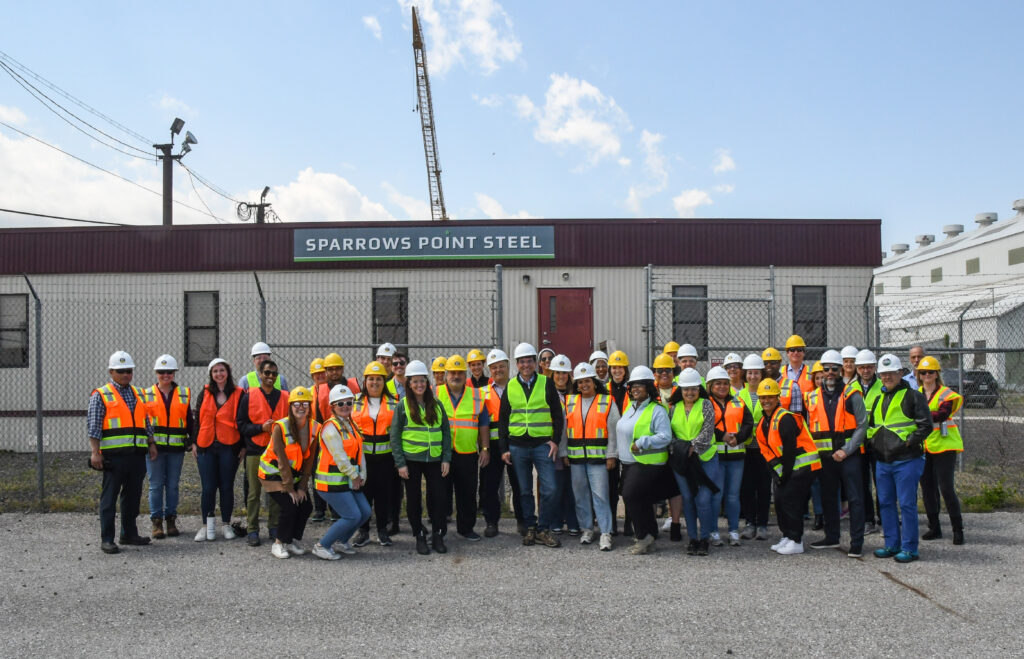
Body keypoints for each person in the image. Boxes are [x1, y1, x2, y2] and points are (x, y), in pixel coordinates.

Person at [88, 351, 157, 554]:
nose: (126, 374)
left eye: (129, 370)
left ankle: (129, 534)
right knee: (109, 498)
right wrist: (95, 452)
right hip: (113, 456)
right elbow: (94, 426)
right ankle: (107, 539)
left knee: (132, 496)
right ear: (111, 372)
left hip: (136, 455)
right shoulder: (101, 395)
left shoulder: (138, 393)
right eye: (121, 371)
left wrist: (151, 443)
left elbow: (146, 422)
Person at [499, 342, 565, 549]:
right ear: (517, 364)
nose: (526, 365)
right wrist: (504, 449)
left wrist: (555, 440)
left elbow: (557, 415)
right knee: (524, 491)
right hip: (517, 446)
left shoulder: (546, 383)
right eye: (522, 362)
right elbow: (503, 419)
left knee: (550, 488)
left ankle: (543, 529)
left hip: (542, 445)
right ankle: (530, 527)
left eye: (529, 361)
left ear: (535, 363)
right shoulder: (510, 386)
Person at [803, 350, 868, 558]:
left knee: (855, 498)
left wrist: (846, 451)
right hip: (825, 458)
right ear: (821, 371)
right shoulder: (811, 397)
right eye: (826, 369)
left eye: (834, 368)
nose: (830, 372)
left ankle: (856, 543)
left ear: (841, 370)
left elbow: (862, 426)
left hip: (849, 456)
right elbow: (808, 428)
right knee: (828, 497)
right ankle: (831, 537)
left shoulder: (852, 394)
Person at [868, 355, 932, 563]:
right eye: (883, 374)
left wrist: (908, 443)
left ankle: (910, 548)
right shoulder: (878, 398)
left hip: (907, 460)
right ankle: (891, 544)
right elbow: (873, 427)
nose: (887, 377)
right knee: (886, 503)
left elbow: (926, 425)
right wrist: (874, 445)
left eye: (891, 373)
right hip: (883, 461)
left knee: (906, 504)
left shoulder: (913, 396)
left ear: (900, 373)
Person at [391, 359, 453, 555]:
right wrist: (400, 463)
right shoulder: (402, 406)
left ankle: (437, 534)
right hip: (411, 461)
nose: (419, 385)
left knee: (439, 498)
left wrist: (446, 458)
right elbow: (395, 436)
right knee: (414, 499)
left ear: (427, 382)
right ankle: (419, 534)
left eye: (422, 381)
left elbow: (446, 432)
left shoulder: (437, 405)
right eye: (415, 381)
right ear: (409, 384)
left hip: (435, 460)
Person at [755, 379, 822, 555]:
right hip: (788, 468)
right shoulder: (765, 421)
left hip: (802, 467)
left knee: (791, 503)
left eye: (770, 397)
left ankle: (796, 540)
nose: (766, 400)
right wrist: (779, 475)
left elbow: (790, 450)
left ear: (778, 397)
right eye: (763, 397)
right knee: (780, 501)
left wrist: (784, 475)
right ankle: (787, 535)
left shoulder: (785, 418)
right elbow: (768, 451)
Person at [562, 362, 620, 551]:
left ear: (594, 382)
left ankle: (605, 532)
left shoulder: (607, 401)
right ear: (576, 385)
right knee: (580, 496)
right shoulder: (569, 402)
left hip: (599, 459)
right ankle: (586, 529)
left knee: (600, 496)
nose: (583, 385)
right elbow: (563, 431)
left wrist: (611, 455)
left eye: (587, 381)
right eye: (580, 382)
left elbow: (614, 431)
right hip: (576, 458)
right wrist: (564, 453)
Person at [618, 365, 674, 555]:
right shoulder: (631, 407)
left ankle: (642, 537)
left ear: (649, 387)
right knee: (641, 499)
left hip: (647, 462)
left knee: (630, 495)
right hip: (630, 462)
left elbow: (665, 436)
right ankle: (651, 535)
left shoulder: (657, 410)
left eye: (640, 385)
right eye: (633, 385)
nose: (635, 389)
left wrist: (643, 442)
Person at [311, 385, 370, 560]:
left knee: (365, 512)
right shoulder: (330, 428)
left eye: (349, 402)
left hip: (349, 480)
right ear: (332, 407)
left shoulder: (351, 424)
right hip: (331, 482)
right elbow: (340, 457)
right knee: (352, 516)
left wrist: (362, 474)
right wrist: (355, 475)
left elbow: (360, 452)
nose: (345, 406)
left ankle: (341, 541)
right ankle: (322, 546)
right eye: (340, 403)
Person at [237, 359, 290, 546]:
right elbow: (241, 425)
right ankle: (252, 529)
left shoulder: (284, 397)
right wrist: (261, 428)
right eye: (267, 373)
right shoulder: (248, 396)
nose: (270, 377)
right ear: (260, 374)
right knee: (254, 492)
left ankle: (274, 527)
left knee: (276, 490)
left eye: (274, 374)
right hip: (255, 450)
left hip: (276, 451)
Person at [258, 386, 316, 559]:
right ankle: (278, 543)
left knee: (306, 506)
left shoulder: (315, 428)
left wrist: (302, 487)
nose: (301, 407)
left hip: (294, 475)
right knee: (290, 506)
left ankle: (290, 540)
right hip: (272, 474)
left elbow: (309, 461)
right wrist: (290, 488)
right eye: (296, 404)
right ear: (290, 406)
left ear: (310, 406)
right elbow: (282, 460)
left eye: (305, 403)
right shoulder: (280, 427)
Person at [436, 354, 489, 542]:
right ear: (446, 374)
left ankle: (466, 528)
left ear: (465, 374)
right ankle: (439, 529)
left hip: (467, 452)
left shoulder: (476, 395)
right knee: (440, 493)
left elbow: (483, 423)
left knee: (467, 493)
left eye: (459, 372)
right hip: (442, 453)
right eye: (452, 372)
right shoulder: (436, 393)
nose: (456, 376)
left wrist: (485, 448)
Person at [143, 354, 193, 540]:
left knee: (172, 486)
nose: (166, 375)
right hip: (154, 449)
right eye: (162, 372)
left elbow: (189, 421)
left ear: (174, 373)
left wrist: (192, 441)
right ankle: (156, 522)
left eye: (169, 372)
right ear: (156, 373)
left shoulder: (183, 394)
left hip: (175, 449)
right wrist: (150, 444)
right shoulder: (146, 394)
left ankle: (170, 519)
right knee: (156, 486)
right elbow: (143, 422)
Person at [193, 358, 243, 542]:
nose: (219, 374)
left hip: (229, 447)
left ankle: (226, 524)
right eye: (215, 371)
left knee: (226, 486)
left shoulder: (238, 393)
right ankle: (206, 526)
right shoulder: (205, 392)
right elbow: (197, 418)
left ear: (227, 372)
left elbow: (243, 420)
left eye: (222, 370)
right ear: (211, 374)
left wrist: (243, 447)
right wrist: (194, 443)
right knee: (208, 487)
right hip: (206, 446)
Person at [350, 361, 400, 547]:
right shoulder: (354, 401)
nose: (375, 383)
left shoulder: (394, 402)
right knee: (363, 495)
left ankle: (382, 531)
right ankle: (363, 531)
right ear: (365, 381)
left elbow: (398, 432)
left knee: (383, 496)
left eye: (379, 379)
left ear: (384, 381)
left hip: (386, 459)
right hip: (362, 459)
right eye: (371, 379)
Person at [670, 368, 719, 555]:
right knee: (688, 499)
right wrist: (681, 449)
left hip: (705, 458)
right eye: (686, 389)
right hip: (683, 462)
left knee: (703, 499)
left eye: (693, 388)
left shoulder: (706, 404)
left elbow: (708, 430)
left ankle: (704, 538)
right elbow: (670, 434)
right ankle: (693, 539)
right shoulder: (674, 408)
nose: (690, 392)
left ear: (699, 389)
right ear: (680, 390)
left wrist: (692, 447)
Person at [917, 356, 965, 545]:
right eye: (923, 372)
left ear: (937, 373)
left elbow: (943, 414)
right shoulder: (915, 394)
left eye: (930, 372)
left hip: (945, 445)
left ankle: (958, 530)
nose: (927, 375)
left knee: (946, 488)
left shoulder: (946, 394)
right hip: (924, 446)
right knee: (927, 488)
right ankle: (934, 527)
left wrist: (921, 415)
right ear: (919, 375)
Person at [479, 348, 525, 537]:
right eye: (494, 367)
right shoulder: (482, 392)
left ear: (508, 366)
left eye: (501, 366)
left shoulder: (518, 388)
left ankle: (522, 521)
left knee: (519, 484)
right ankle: (491, 522)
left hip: (515, 443)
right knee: (489, 486)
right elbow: (481, 422)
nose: (498, 370)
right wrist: (484, 448)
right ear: (489, 370)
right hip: (492, 445)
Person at [707, 366, 753, 547]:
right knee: (716, 496)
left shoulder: (739, 401)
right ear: (710, 386)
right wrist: (723, 436)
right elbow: (704, 424)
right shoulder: (705, 403)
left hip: (736, 457)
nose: (722, 386)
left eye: (725, 383)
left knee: (733, 496)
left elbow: (748, 423)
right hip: (715, 457)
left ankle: (734, 531)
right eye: (718, 383)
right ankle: (713, 531)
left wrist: (738, 438)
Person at [312, 352, 359, 522]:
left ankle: (339, 510)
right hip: (329, 438)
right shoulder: (320, 390)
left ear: (342, 369)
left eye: (337, 369)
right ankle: (320, 509)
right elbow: (317, 418)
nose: (334, 372)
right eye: (330, 369)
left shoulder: (354, 386)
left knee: (345, 473)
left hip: (350, 438)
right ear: (326, 371)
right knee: (324, 473)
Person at [737, 354, 770, 540]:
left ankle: (763, 524)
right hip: (746, 448)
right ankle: (750, 523)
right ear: (745, 374)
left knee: (764, 487)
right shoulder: (739, 396)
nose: (753, 376)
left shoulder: (768, 394)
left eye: (756, 373)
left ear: (762, 374)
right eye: (750, 373)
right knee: (747, 487)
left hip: (765, 448)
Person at [850, 349, 883, 536]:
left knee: (881, 482)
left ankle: (884, 518)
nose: (865, 370)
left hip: (878, 440)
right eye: (862, 367)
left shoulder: (883, 385)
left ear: (874, 368)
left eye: (869, 367)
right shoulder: (851, 387)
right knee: (862, 483)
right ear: (857, 368)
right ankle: (868, 520)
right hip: (859, 441)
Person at [652, 352, 683, 541]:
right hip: (655, 446)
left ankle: (675, 524)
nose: (664, 373)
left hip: (675, 446)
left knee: (674, 487)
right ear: (654, 373)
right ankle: (652, 526)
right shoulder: (649, 390)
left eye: (668, 370)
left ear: (674, 372)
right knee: (652, 486)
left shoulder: (681, 390)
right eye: (660, 370)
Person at [549, 354, 580, 536]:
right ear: (552, 374)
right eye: (557, 373)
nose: (561, 376)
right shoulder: (547, 394)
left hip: (575, 447)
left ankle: (573, 521)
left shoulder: (576, 395)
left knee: (573, 487)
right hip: (556, 448)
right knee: (557, 486)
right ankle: (556, 521)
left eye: (564, 373)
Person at [605, 350, 630, 535]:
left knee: (629, 485)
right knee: (611, 486)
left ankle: (630, 522)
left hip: (629, 441)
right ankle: (612, 522)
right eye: (614, 367)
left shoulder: (633, 388)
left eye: (620, 367)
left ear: (626, 369)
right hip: (612, 441)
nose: (617, 371)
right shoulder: (604, 389)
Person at [763, 347, 802, 414]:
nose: (769, 365)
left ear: (780, 363)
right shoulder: (758, 385)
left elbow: (795, 416)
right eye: (765, 363)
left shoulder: (793, 387)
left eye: (773, 362)